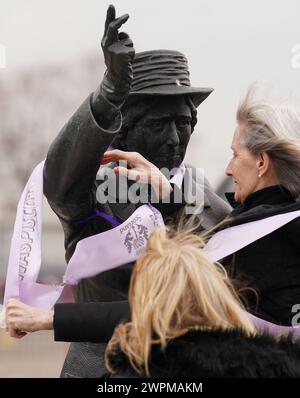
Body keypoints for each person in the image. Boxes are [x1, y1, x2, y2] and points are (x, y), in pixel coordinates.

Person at [42, 5, 230, 378]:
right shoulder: (95, 188)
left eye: (184, 122)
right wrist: (109, 92)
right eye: (161, 124)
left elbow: (228, 246)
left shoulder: (198, 190)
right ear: (124, 129)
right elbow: (57, 178)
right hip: (104, 368)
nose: (177, 139)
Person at [104, 228, 300, 377]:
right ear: (218, 294)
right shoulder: (278, 364)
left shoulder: (144, 367)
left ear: (148, 302)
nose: (228, 171)